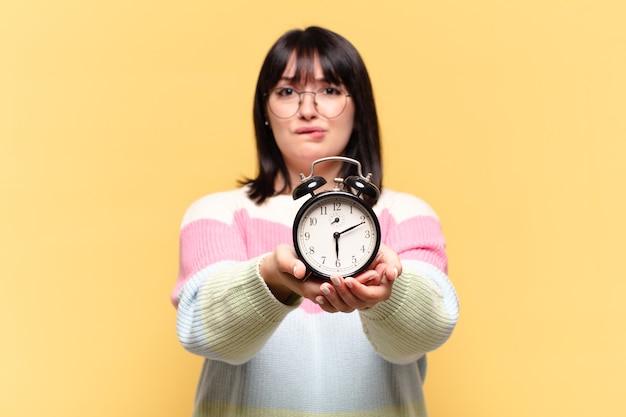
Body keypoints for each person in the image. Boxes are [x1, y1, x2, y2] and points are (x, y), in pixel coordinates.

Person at [171, 26, 459, 417]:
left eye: (330, 90)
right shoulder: (217, 214)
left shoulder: (407, 214)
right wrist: (270, 278)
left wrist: (390, 292)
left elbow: (425, 334)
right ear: (265, 112)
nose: (308, 109)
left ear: (359, 107)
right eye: (288, 91)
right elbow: (205, 334)